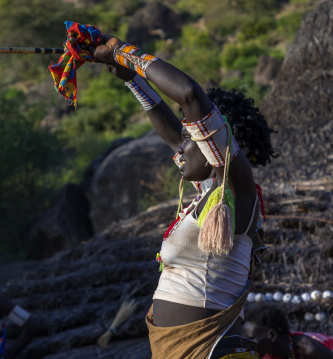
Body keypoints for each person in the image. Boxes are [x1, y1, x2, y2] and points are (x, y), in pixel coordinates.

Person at [87, 35, 276, 358]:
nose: (182, 148)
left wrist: (124, 53)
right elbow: (174, 137)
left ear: (216, 145)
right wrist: (132, 79)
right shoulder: (208, 192)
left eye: (193, 138)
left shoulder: (235, 191)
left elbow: (189, 95)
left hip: (209, 351)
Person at [243, 305, 333, 359]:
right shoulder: (271, 354)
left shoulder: (308, 348)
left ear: (272, 335)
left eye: (251, 338)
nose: (246, 344)